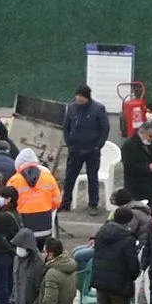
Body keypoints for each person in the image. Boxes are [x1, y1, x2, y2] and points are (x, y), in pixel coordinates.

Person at [89, 208, 140, 304]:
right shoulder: (127, 239)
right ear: (128, 221)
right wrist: (133, 276)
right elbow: (132, 265)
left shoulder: (102, 233)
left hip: (101, 282)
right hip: (119, 284)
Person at [61, 85, 110, 215]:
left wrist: (97, 146)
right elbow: (66, 128)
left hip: (92, 150)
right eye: (77, 96)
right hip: (75, 149)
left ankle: (93, 204)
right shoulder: (71, 108)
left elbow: (104, 129)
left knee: (92, 177)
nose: (78, 99)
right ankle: (66, 202)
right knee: (70, 176)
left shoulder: (98, 109)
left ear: (87, 97)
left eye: (81, 97)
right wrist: (69, 143)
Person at [7, 149, 63, 247]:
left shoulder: (14, 181)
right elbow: (57, 201)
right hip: (45, 229)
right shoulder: (48, 178)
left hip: (23, 231)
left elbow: (7, 204)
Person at [120, 119, 152, 203]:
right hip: (136, 189)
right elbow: (129, 168)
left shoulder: (151, 144)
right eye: (150, 136)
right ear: (142, 132)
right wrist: (148, 168)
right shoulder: (128, 146)